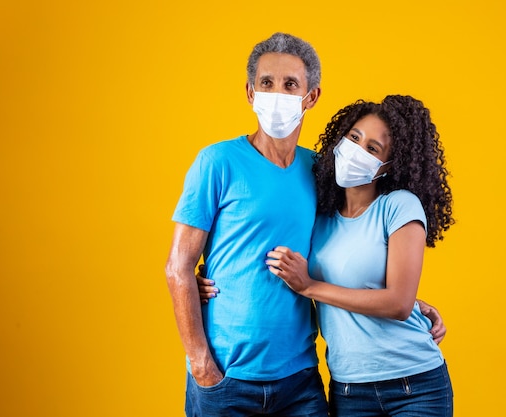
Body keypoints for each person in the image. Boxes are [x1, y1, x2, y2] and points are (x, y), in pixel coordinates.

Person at [166, 32, 446, 417]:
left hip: (300, 381)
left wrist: (407, 301)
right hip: (226, 376)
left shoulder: (320, 173)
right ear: (250, 92)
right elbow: (178, 268)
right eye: (267, 83)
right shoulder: (216, 162)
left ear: (311, 96)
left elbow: (344, 248)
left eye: (290, 84)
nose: (277, 94)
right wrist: (201, 363)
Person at [264, 95, 455, 416]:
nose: (357, 150)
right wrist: (205, 279)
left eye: (372, 148)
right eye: (354, 138)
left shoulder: (399, 205)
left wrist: (309, 286)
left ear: (387, 166)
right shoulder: (319, 216)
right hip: (350, 389)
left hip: (414, 384)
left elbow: (397, 304)